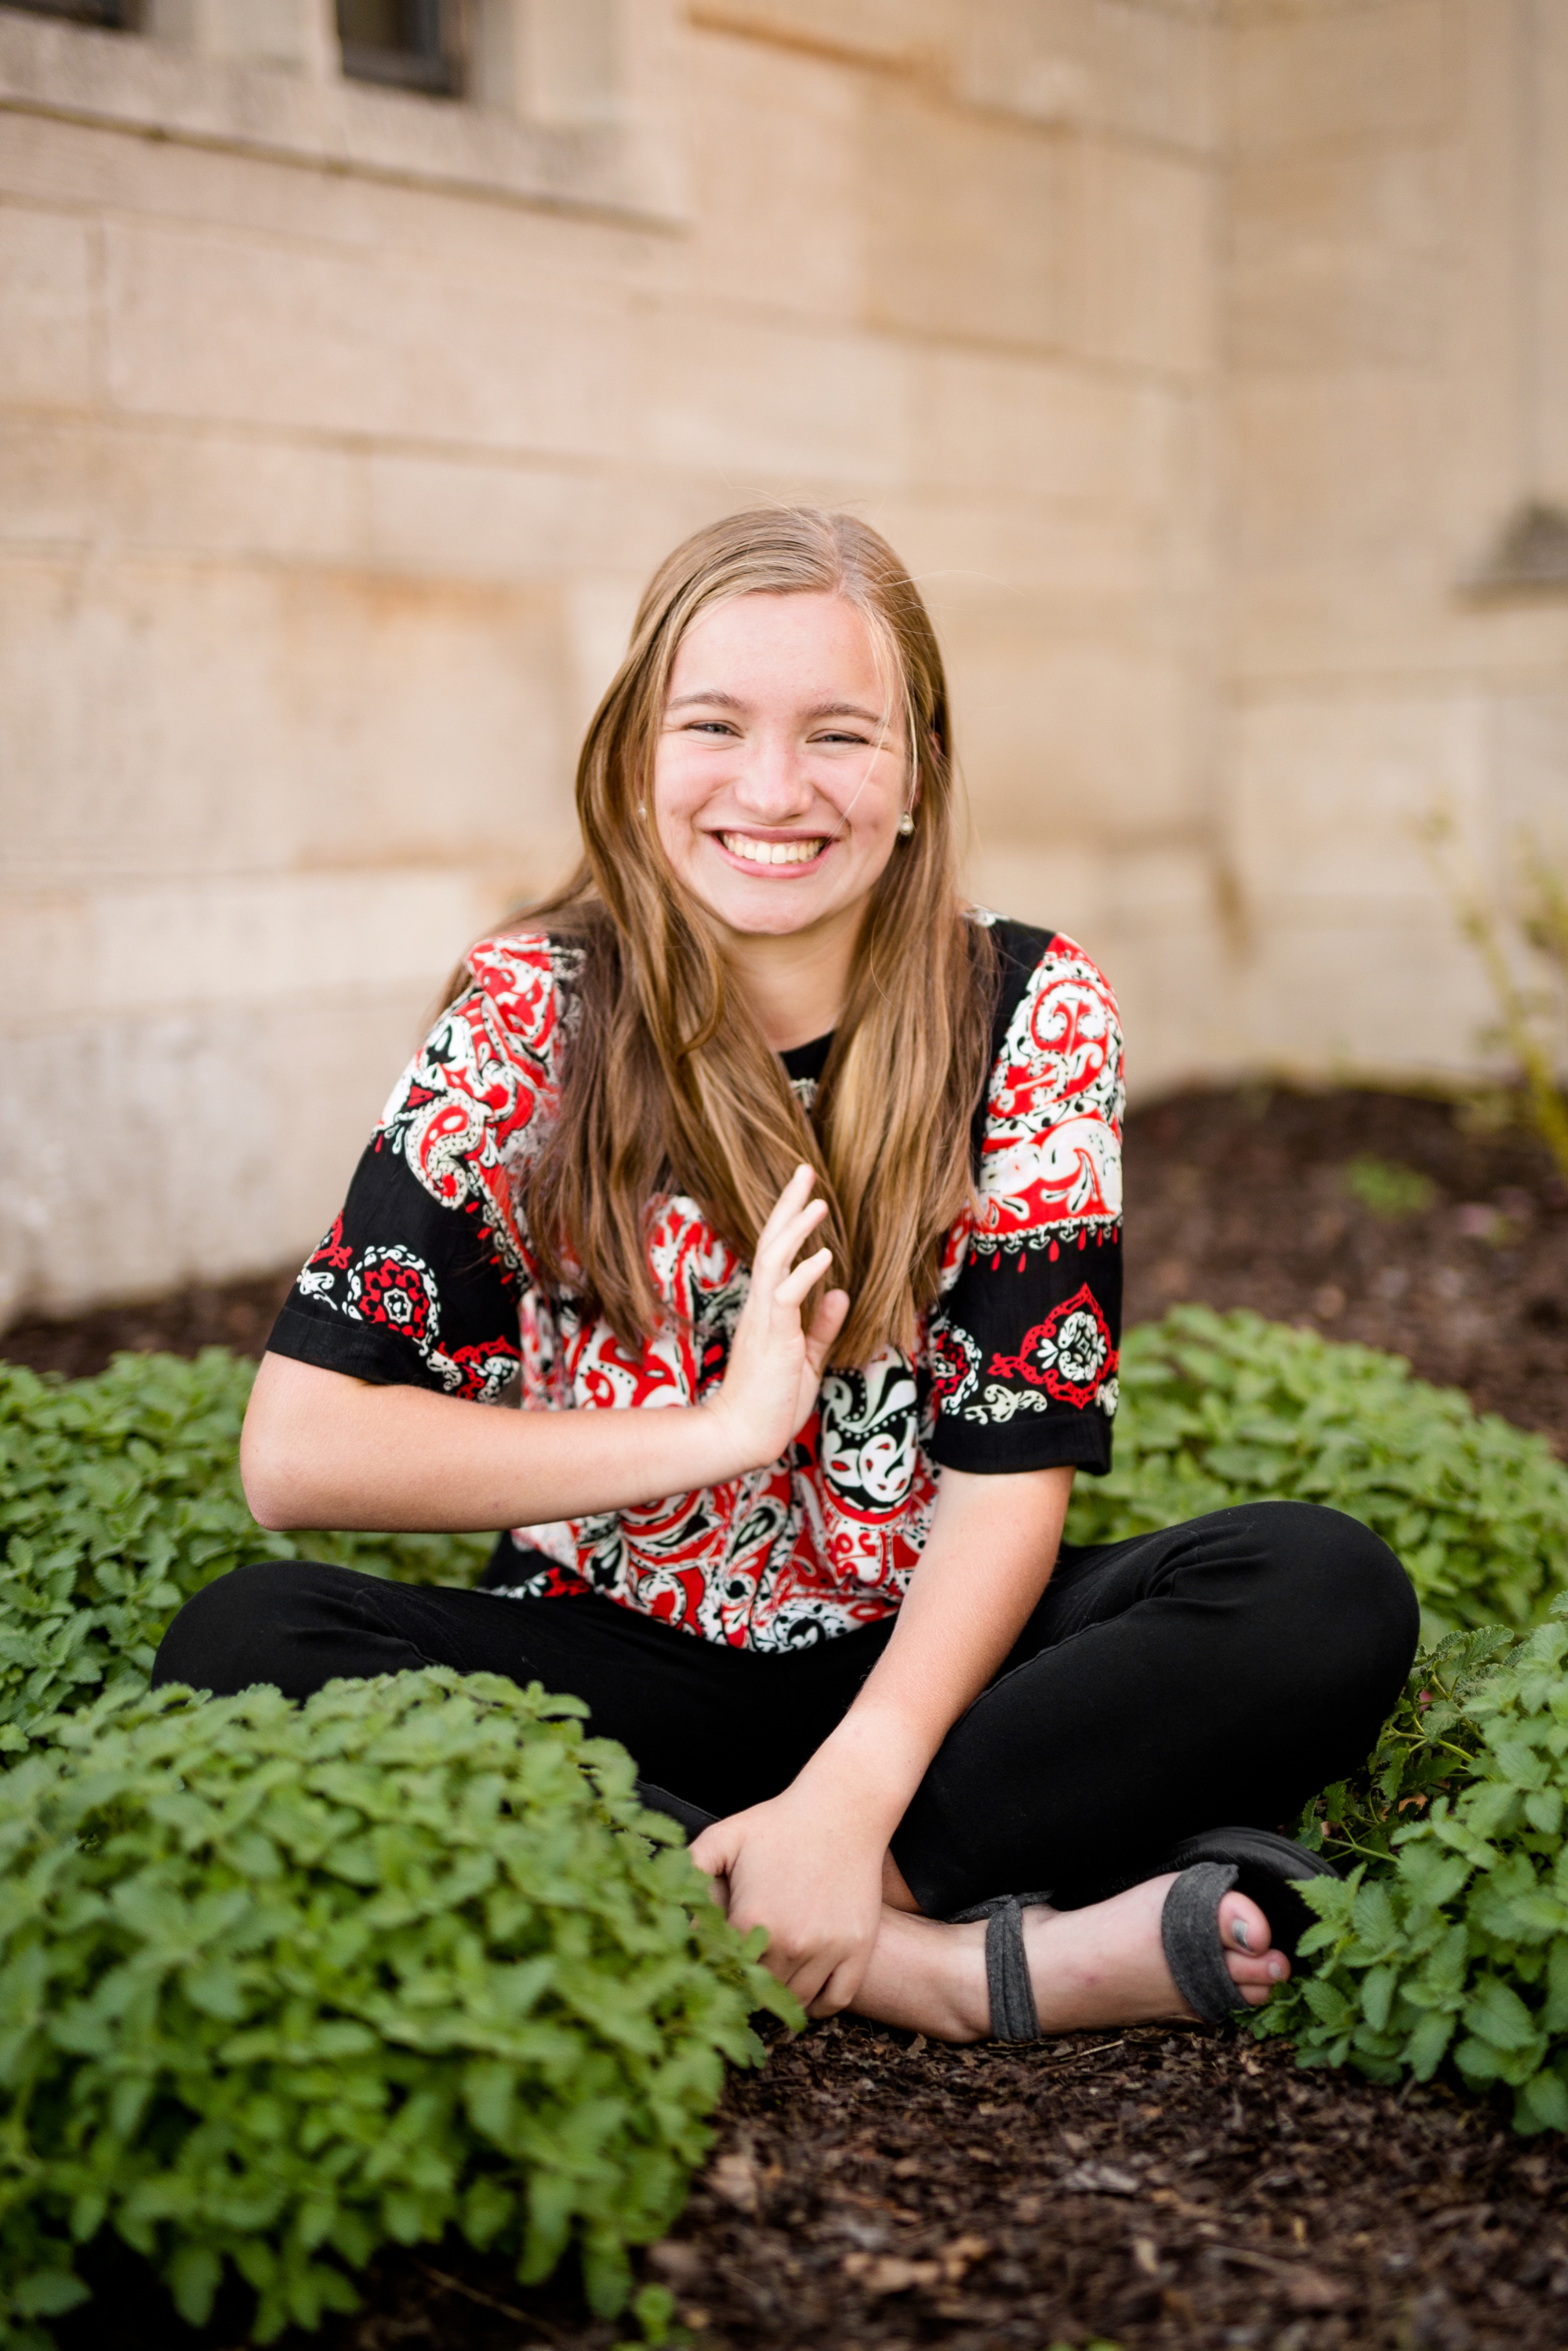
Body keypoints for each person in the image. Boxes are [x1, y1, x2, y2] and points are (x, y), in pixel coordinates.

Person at [153, 508, 1418, 2042]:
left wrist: (857, 1783)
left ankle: (786, 1869)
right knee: (244, 1641)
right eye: (715, 726)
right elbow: (299, 1456)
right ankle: (937, 1967)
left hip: (927, 1657)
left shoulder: (1027, 1006)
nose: (772, 788)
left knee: (1317, 1590)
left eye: (837, 733)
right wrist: (716, 1433)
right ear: (636, 757)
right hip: (613, 1647)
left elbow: (1008, 1475)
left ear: (915, 774)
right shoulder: (527, 1011)